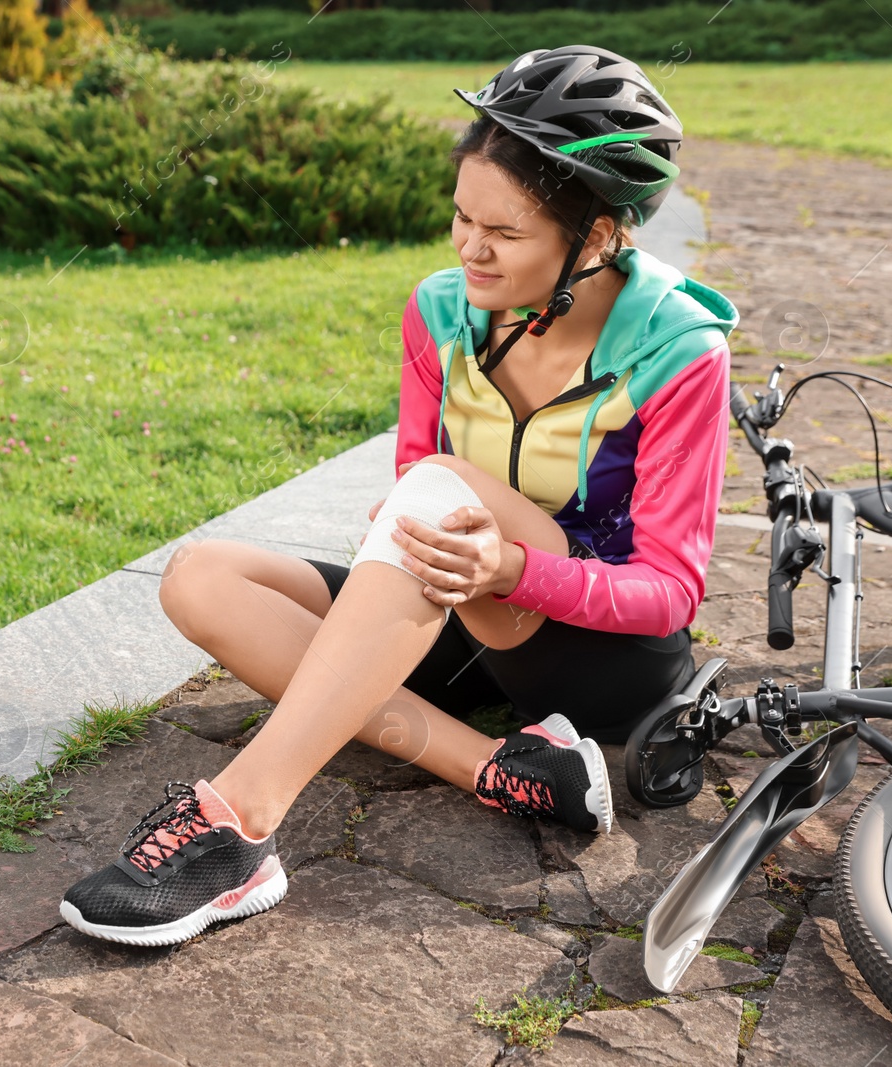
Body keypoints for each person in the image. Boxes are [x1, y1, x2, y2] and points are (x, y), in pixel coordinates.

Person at [58, 45, 740, 947]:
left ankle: (241, 821)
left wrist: (511, 567)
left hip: (602, 659)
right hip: (470, 606)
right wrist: (442, 546)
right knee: (200, 577)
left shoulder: (681, 350)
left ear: (603, 235)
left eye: (506, 233)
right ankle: (510, 771)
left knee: (443, 486)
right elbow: (414, 484)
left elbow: (672, 590)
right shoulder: (439, 311)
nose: (470, 249)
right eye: (462, 216)